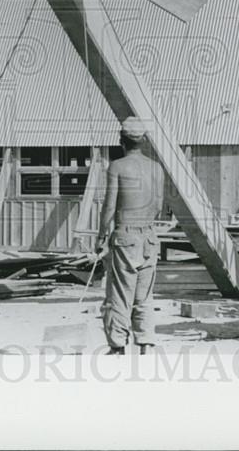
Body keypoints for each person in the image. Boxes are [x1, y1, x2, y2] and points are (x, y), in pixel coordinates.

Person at [96, 117, 165, 355]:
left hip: (125, 236)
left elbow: (109, 206)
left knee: (120, 294)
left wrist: (101, 235)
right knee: (144, 295)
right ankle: (145, 343)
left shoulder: (117, 167)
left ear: (121, 140)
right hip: (149, 236)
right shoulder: (156, 168)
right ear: (144, 140)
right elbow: (158, 205)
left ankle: (117, 346)